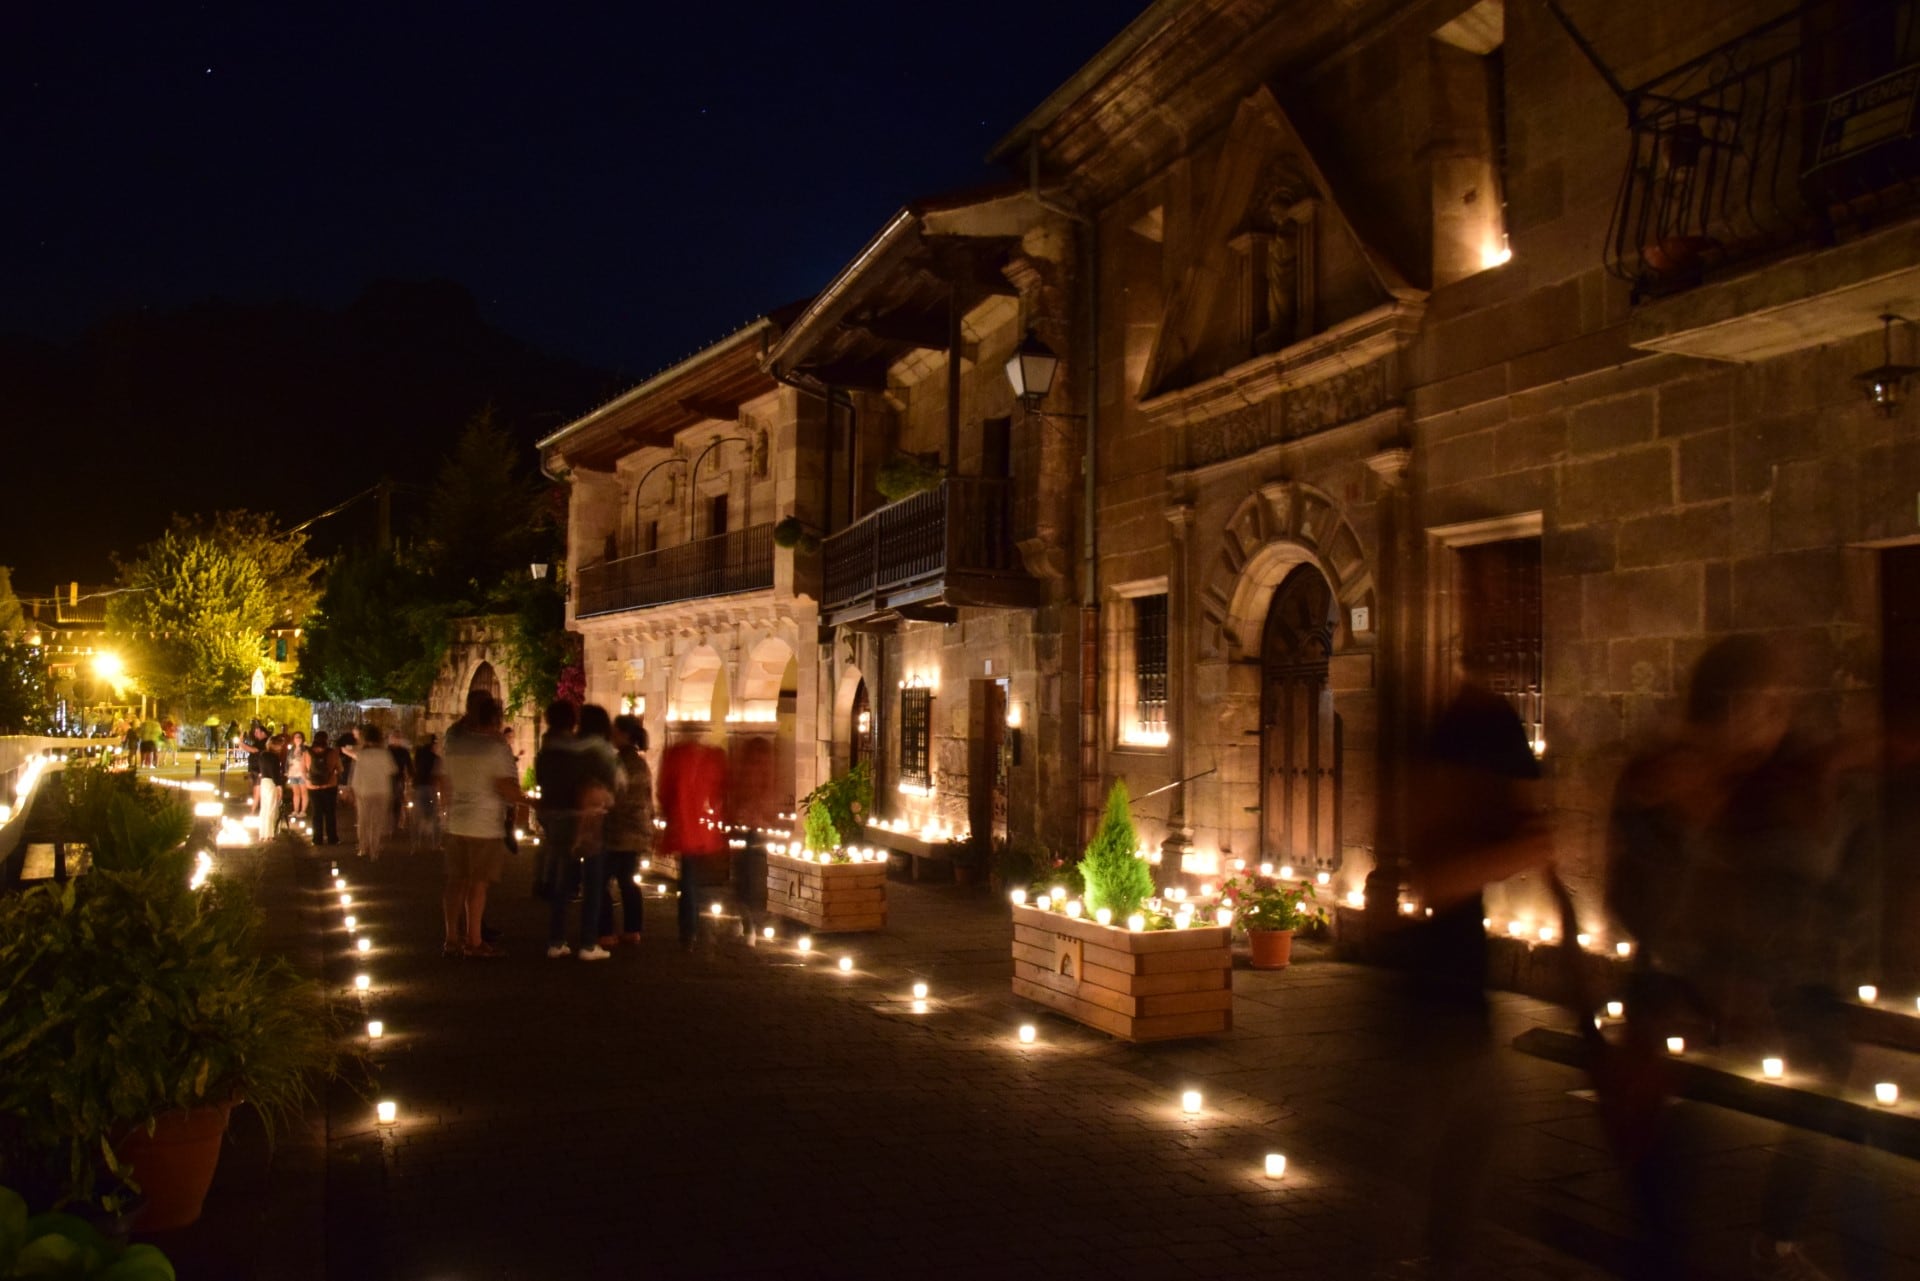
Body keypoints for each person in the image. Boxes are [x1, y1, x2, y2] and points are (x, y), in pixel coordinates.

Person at [536, 701, 618, 960]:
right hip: (588, 819)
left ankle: (556, 940)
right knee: (593, 883)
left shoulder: (548, 750)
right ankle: (588, 942)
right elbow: (609, 782)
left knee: (563, 882)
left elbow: (541, 780)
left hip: (557, 820)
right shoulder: (589, 751)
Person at [441, 692, 520, 959]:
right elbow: (505, 785)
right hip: (484, 823)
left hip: (457, 820)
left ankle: (451, 938)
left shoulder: (454, 739)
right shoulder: (496, 747)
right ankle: (474, 941)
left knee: (456, 882)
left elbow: (444, 776)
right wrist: (531, 804)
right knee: (478, 885)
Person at [657, 730, 730, 950]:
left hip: (685, 826)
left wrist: (669, 813)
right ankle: (697, 926)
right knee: (697, 879)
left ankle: (690, 929)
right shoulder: (712, 757)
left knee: (688, 879)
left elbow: (664, 790)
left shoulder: (676, 755)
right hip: (703, 829)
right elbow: (721, 789)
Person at [596, 714, 653, 946]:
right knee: (628, 881)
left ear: (625, 735)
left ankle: (606, 931)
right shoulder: (641, 763)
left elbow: (612, 797)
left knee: (600, 882)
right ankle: (632, 929)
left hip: (617, 831)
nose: (611, 735)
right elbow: (647, 799)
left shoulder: (618, 763)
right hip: (636, 831)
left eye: (615, 731)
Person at [343, 725, 397, 861]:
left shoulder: (362, 754)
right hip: (382, 790)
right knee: (377, 821)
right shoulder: (385, 754)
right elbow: (392, 770)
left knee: (363, 820)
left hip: (364, 791)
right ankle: (374, 849)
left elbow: (357, 775)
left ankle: (363, 847)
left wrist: (352, 789)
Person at [307, 731, 341, 845]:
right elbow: (340, 769)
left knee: (316, 813)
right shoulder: (333, 753)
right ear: (326, 740)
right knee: (330, 813)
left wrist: (309, 779)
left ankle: (317, 839)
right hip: (330, 786)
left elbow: (303, 770)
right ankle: (332, 839)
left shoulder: (307, 753)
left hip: (312, 786)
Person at [411, 733, 442, 853]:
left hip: (418, 787)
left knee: (416, 817)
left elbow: (414, 770)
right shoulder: (435, 758)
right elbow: (438, 775)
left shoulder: (418, 756)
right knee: (434, 816)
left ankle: (415, 844)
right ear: (433, 744)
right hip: (430, 788)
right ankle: (436, 844)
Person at [257, 733, 288, 840]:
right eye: (279, 745)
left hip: (264, 782)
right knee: (272, 808)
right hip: (271, 783)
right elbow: (275, 773)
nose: (281, 748)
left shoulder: (262, 755)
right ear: (273, 745)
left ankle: (262, 833)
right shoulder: (274, 758)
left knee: (264, 808)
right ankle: (270, 834)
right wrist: (279, 786)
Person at [286, 730, 310, 821]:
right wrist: (287, 770)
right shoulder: (291, 749)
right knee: (295, 792)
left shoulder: (305, 749)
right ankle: (295, 810)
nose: (298, 739)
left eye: (299, 737)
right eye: (296, 737)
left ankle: (303, 811)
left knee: (304, 792)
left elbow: (307, 760)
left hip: (302, 773)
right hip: (293, 773)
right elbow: (287, 761)